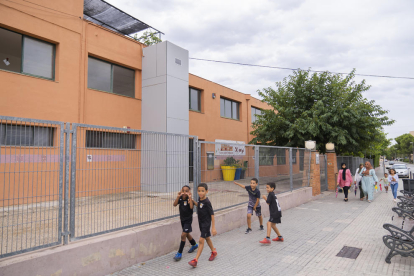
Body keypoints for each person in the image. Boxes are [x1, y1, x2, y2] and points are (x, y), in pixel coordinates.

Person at [188, 183, 217, 268]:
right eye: (199, 191)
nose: (200, 193)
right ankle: (214, 252)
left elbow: (212, 214)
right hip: (201, 223)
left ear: (206, 191)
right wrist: (193, 202)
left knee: (201, 240)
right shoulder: (200, 199)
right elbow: (200, 206)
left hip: (206, 224)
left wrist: (213, 227)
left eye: (202, 191)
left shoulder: (207, 202)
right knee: (207, 237)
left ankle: (195, 260)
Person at [172, 185, 198, 261]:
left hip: (188, 220)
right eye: (183, 190)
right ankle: (194, 244)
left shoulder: (190, 200)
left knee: (183, 234)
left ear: (189, 192)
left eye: (186, 191)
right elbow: (174, 204)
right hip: (182, 219)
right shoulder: (180, 198)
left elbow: (191, 208)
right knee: (186, 234)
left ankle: (179, 253)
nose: (184, 192)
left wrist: (190, 198)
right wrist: (177, 196)